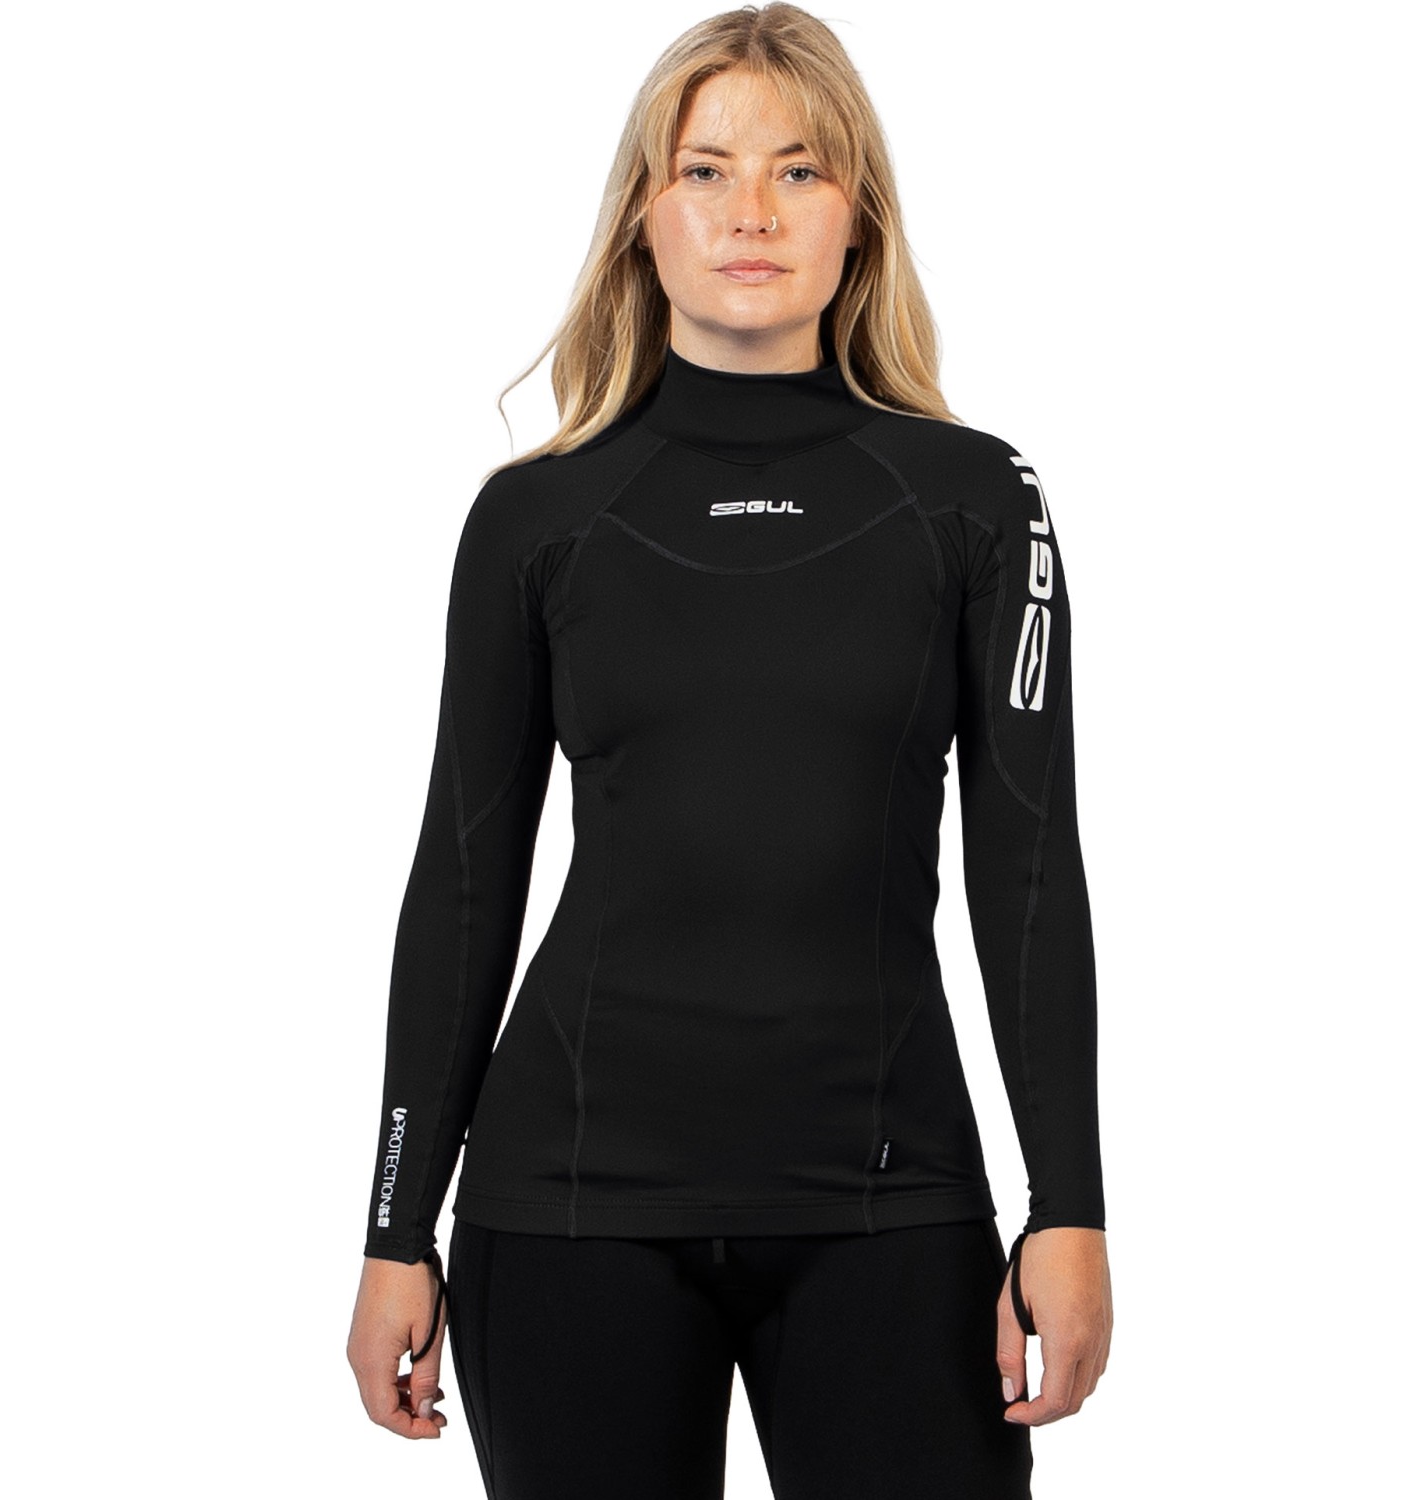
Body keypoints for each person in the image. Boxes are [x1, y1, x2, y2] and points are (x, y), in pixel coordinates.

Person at [346, 5, 1112, 1495]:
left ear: (859, 213)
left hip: (891, 1209)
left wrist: (1068, 1205)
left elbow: (1031, 871)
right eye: (706, 170)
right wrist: (395, 1227)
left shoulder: (975, 500)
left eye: (799, 169)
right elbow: (463, 880)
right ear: (644, 215)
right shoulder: (538, 517)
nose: (751, 211)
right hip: (567, 1212)